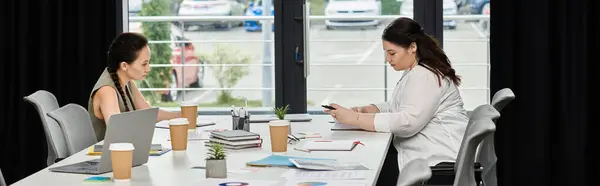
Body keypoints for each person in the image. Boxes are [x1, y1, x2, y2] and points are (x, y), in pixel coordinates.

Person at [325, 17, 468, 168]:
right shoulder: (417, 70)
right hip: (426, 154)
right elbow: (405, 103)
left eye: (392, 53)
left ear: (413, 47)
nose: (387, 59)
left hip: (439, 160)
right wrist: (370, 109)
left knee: (367, 166)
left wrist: (356, 118)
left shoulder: (425, 76)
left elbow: (407, 123)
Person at [88, 32, 182, 141]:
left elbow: (148, 114)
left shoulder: (127, 82)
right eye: (144, 64)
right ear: (124, 66)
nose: (148, 69)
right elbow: (117, 132)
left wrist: (179, 115)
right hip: (109, 154)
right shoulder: (107, 90)